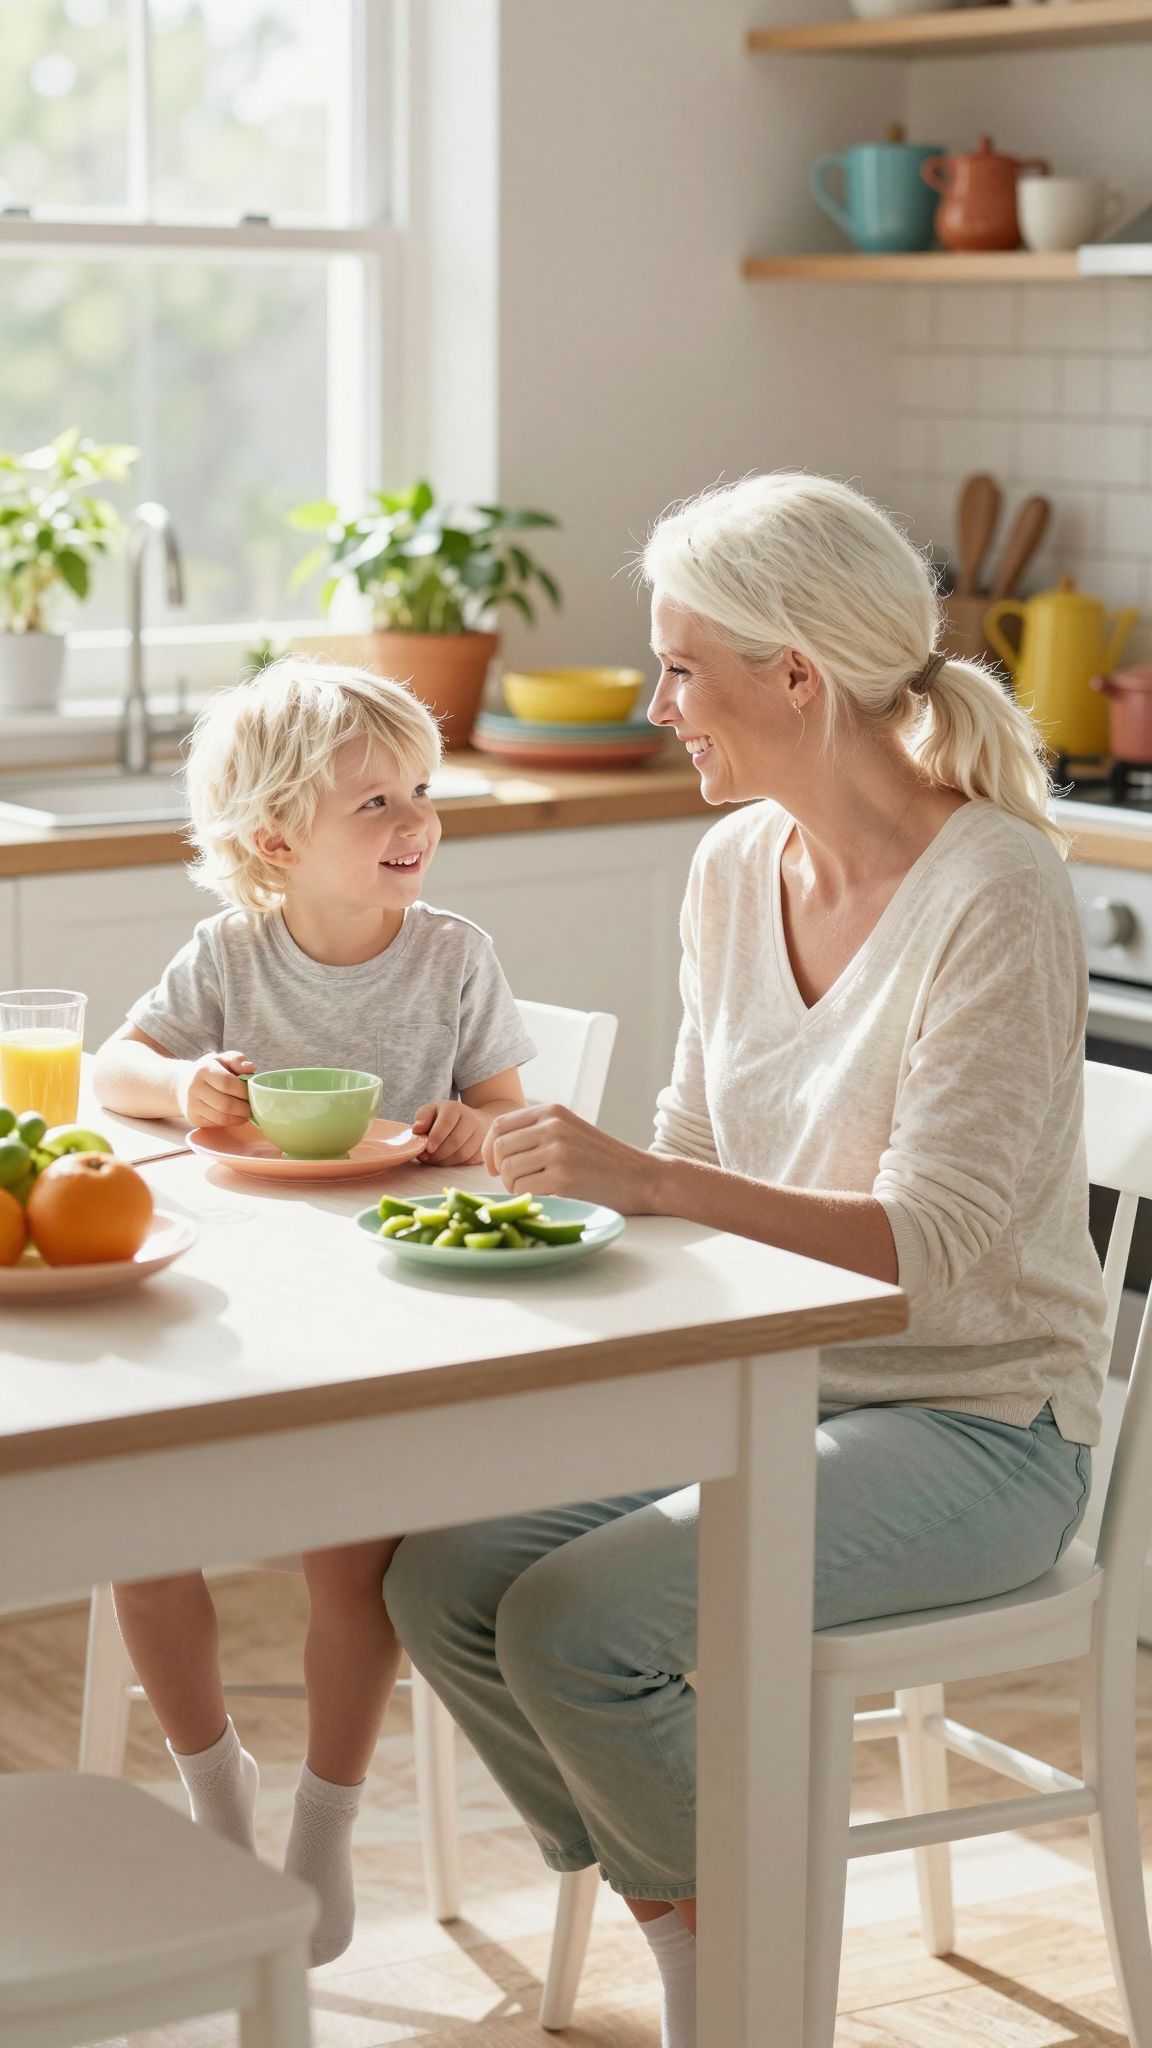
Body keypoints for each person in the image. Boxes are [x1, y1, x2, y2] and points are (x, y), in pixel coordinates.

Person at [383, 474, 1106, 2048]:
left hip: (980, 1427)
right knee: (437, 1575)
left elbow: (921, 1255)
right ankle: (699, 1913)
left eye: (683, 668)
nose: (659, 706)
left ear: (798, 676)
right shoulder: (727, 871)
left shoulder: (995, 889)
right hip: (768, 1388)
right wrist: (552, 1176)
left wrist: (648, 1178)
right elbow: (688, 1160)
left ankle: (742, 1992)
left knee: (583, 1626)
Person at [93, 658, 535, 1965]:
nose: (415, 826)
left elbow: (515, 1118)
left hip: (386, 1305)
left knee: (359, 1559)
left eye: (422, 795)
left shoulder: (456, 955)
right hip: (235, 1304)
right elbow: (120, 1063)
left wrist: (475, 1125)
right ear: (275, 840)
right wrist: (182, 1095)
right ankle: (215, 1798)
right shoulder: (230, 954)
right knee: (143, 1529)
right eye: (376, 806)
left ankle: (323, 1832)